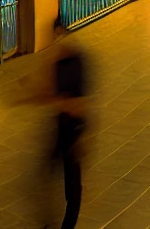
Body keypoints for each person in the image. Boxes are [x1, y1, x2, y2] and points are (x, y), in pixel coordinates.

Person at [48, 44, 89, 228]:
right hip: (64, 129)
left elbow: (78, 104)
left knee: (73, 190)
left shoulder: (75, 64)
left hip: (71, 131)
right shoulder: (59, 65)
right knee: (65, 182)